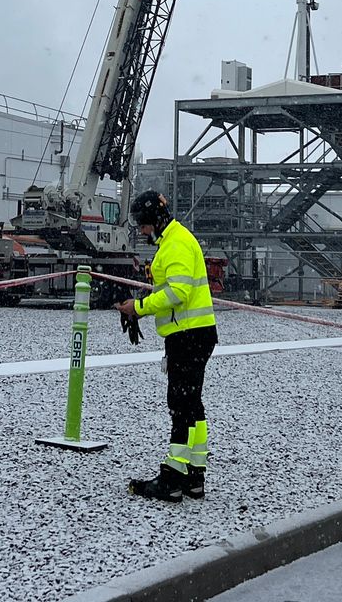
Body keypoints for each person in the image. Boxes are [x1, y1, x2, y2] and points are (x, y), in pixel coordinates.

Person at [115, 189, 217, 502]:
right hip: (194, 333)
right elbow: (176, 294)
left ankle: (171, 479)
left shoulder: (176, 243)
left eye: (144, 225)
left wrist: (140, 307)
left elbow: (178, 293)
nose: (142, 230)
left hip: (187, 337)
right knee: (193, 406)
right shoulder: (177, 240)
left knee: (180, 406)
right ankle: (193, 476)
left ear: (156, 221)